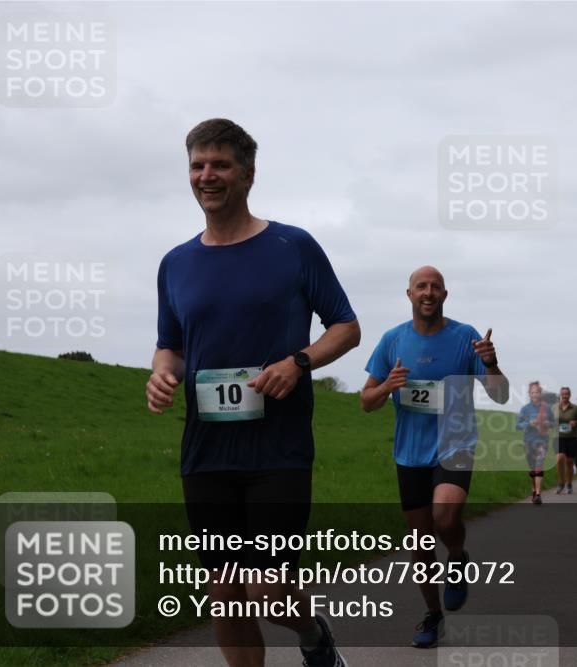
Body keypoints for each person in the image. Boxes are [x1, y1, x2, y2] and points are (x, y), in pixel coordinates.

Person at [146, 119, 360, 667]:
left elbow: (345, 326)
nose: (206, 175)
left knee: (267, 590)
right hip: (206, 450)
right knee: (224, 598)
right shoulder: (175, 263)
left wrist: (299, 362)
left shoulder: (293, 246)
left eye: (219, 164)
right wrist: (161, 374)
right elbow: (169, 344)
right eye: (197, 165)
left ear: (248, 174)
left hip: (278, 449)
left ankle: (313, 634)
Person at [360, 266, 508, 649]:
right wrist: (387, 387)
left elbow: (501, 395)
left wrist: (490, 363)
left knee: (446, 515)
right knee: (421, 543)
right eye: (421, 286)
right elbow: (366, 401)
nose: (428, 292)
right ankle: (432, 613)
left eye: (435, 287)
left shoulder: (465, 337)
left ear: (445, 295)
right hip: (410, 453)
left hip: (455, 445)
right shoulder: (392, 341)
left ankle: (457, 557)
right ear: (408, 294)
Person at [517, 381, 551, 504]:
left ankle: (538, 494)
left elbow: (553, 423)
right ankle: (534, 489)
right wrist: (529, 423)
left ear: (540, 393)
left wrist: (548, 423)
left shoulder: (546, 408)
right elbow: (518, 426)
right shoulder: (525, 409)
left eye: (537, 392)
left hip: (542, 441)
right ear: (529, 394)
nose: (535, 394)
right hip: (528, 441)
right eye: (532, 392)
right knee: (532, 469)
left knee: (539, 466)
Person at [554, 387, 577, 494]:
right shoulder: (555, 407)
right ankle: (561, 482)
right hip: (558, 437)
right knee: (559, 458)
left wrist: (575, 423)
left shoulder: (575, 408)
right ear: (560, 395)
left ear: (569, 395)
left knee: (570, 462)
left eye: (566, 394)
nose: (565, 396)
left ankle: (569, 484)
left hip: (572, 437)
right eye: (563, 394)